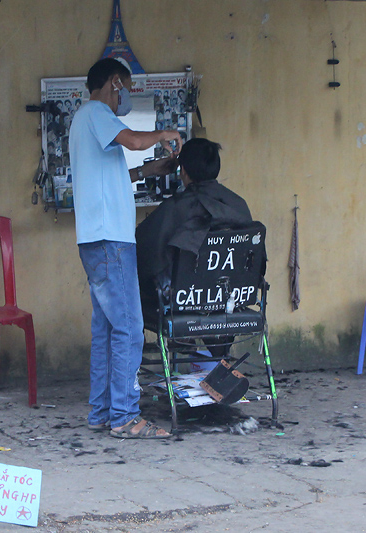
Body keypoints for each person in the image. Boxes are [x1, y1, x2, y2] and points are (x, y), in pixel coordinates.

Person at [69, 58, 181, 440]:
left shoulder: (84, 123)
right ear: (115, 82)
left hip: (95, 240)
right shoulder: (97, 111)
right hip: (111, 241)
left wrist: (151, 171)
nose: (126, 98)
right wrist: (163, 132)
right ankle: (125, 416)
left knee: (106, 330)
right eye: (127, 89)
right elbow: (134, 141)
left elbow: (119, 172)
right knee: (131, 329)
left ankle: (102, 412)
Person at [135, 138, 254, 357]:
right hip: (228, 300)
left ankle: (181, 342)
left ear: (184, 172)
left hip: (182, 304)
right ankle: (216, 358)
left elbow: (143, 251)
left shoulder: (175, 209)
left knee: (134, 286)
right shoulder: (238, 205)